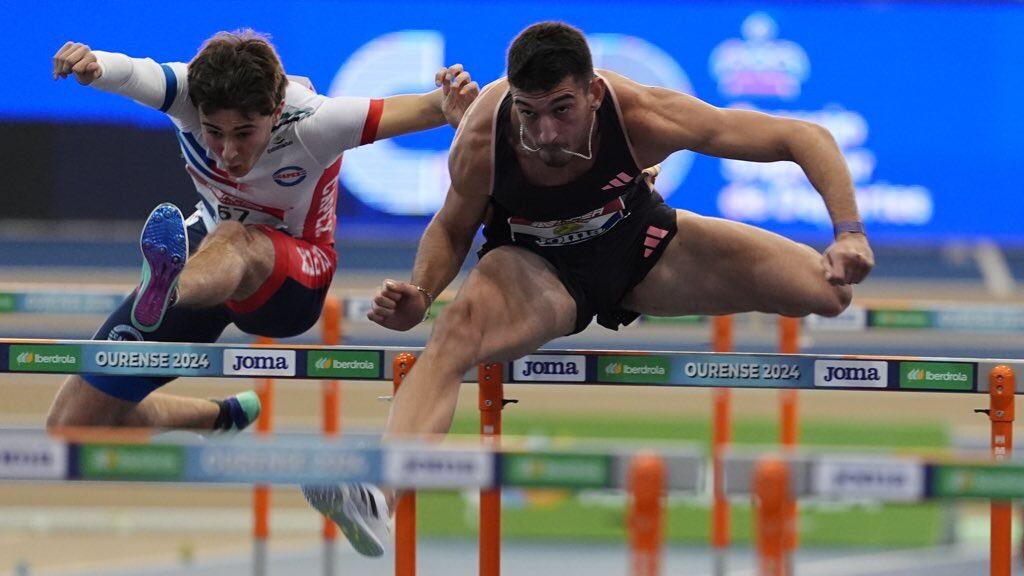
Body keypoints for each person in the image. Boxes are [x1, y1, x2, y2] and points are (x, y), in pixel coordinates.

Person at [308, 21, 875, 557]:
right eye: (529, 113)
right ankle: (379, 496)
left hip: (641, 247)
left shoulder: (643, 116)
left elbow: (802, 136)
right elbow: (453, 227)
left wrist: (848, 233)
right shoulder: (484, 137)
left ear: (595, 94)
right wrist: (423, 291)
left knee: (827, 291)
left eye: (562, 109)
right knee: (453, 335)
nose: (546, 132)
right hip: (534, 269)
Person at [45, 31, 479, 438]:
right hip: (208, 264)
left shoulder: (316, 122)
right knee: (72, 425)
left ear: (274, 114)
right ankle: (218, 416)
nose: (228, 152)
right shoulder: (186, 92)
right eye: (213, 133)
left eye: (243, 134)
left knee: (237, 236)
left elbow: (432, 107)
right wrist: (93, 63)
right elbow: (131, 72)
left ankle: (165, 294)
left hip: (293, 280)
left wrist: (456, 98)